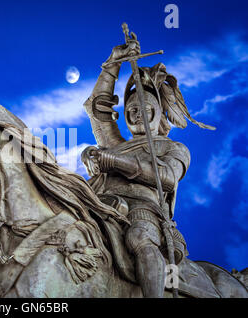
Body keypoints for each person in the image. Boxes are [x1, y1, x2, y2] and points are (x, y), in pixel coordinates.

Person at [81, 38, 215, 297]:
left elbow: (166, 178)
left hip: (142, 211)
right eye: (131, 109)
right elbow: (97, 108)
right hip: (95, 202)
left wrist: (114, 161)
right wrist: (113, 64)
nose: (137, 113)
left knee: (141, 239)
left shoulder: (172, 148)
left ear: (157, 112)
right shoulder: (115, 143)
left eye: (144, 108)